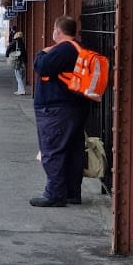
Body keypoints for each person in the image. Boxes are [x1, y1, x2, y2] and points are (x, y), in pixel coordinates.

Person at [31, 17, 90, 208]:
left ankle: (55, 194)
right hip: (74, 108)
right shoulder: (79, 48)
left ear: (58, 31)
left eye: (54, 30)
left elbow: (41, 67)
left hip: (57, 110)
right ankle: (72, 193)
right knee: (73, 151)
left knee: (53, 151)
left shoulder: (63, 49)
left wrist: (42, 52)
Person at [7, 28, 27, 96]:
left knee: (18, 76)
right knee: (20, 76)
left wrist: (7, 55)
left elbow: (9, 47)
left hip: (17, 60)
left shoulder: (15, 42)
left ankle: (21, 90)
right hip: (22, 61)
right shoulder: (22, 43)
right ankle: (20, 90)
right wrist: (25, 61)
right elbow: (24, 53)